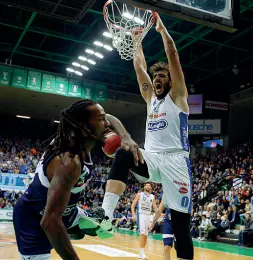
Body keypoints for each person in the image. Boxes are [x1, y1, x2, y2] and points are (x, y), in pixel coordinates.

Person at [81, 13, 193, 260]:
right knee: (123, 151)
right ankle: (106, 215)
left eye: (162, 76)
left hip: (177, 163)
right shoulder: (151, 99)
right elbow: (139, 66)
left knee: (182, 227)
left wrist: (162, 31)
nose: (157, 79)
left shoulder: (179, 98)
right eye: (156, 77)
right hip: (151, 158)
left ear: (172, 81)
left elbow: (173, 56)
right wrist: (137, 41)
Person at [13, 100, 141, 260]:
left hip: (67, 211)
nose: (107, 124)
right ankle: (68, 228)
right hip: (34, 218)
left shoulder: (76, 141)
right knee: (59, 232)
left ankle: (74, 226)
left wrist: (126, 137)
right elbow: (49, 221)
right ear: (83, 125)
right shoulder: (69, 163)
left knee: (101, 226)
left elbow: (109, 117)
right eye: (101, 120)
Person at [131, 182, 157, 259]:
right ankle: (142, 253)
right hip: (141, 215)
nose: (147, 186)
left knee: (145, 235)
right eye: (146, 185)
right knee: (142, 233)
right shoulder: (139, 194)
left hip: (148, 216)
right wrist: (134, 214)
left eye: (149, 185)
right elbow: (133, 205)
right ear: (144, 187)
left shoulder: (153, 197)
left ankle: (141, 252)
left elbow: (155, 208)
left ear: (151, 188)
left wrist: (161, 213)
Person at [149, 195, 174, 260]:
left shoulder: (183, 190)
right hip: (169, 222)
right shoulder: (166, 193)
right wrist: (153, 223)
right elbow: (159, 210)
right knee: (166, 247)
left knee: (180, 250)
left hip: (181, 223)